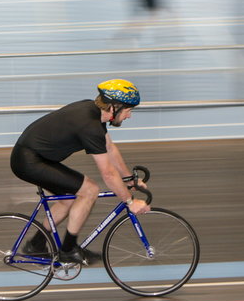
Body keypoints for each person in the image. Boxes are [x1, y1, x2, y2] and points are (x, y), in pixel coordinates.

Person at [10, 79, 151, 265]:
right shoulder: (89, 125)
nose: (129, 116)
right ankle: (68, 250)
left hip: (35, 156)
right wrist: (129, 201)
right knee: (90, 190)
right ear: (114, 107)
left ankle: (36, 244)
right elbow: (108, 174)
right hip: (29, 161)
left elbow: (109, 147)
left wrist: (128, 179)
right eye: (128, 110)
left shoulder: (94, 112)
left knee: (68, 199)